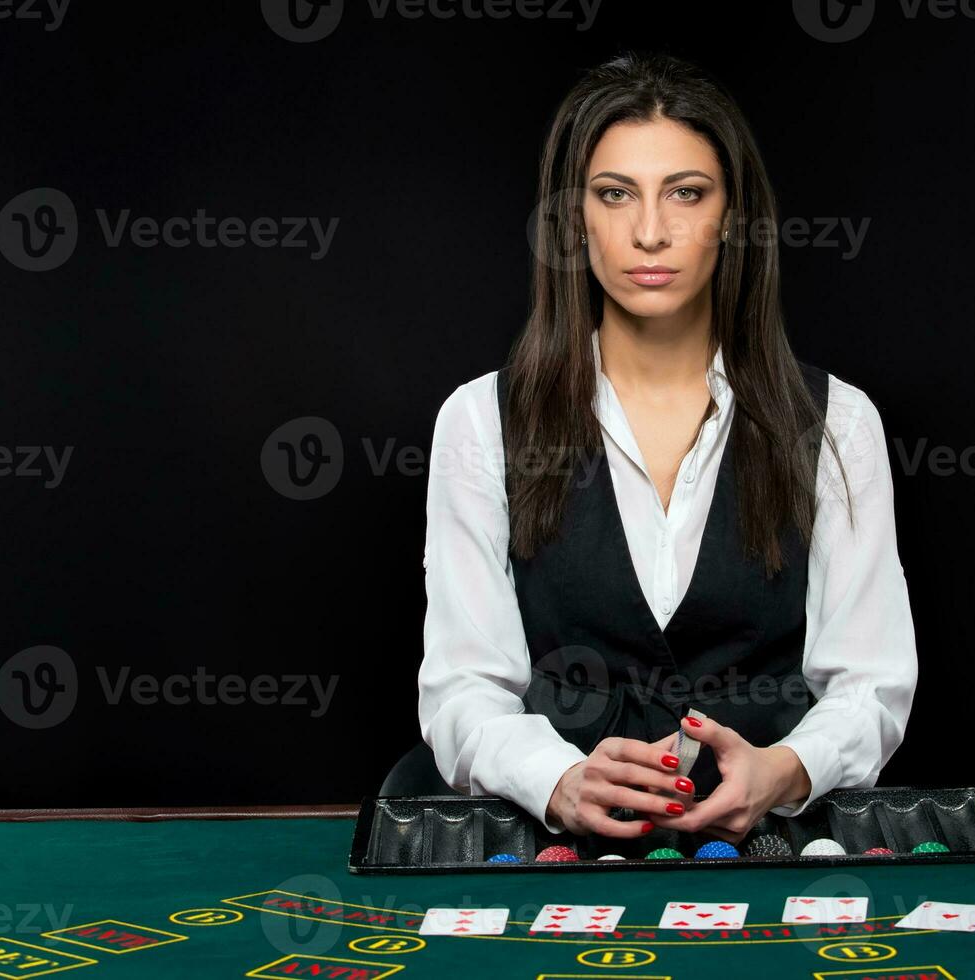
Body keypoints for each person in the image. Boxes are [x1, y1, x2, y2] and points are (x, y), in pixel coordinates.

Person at [387, 51, 917, 845]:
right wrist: (558, 780)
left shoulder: (838, 423)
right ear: (574, 220)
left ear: (732, 216)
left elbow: (869, 686)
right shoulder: (479, 421)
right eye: (614, 194)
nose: (649, 232)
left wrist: (788, 767)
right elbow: (465, 688)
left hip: (768, 837)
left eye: (686, 193)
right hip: (546, 839)